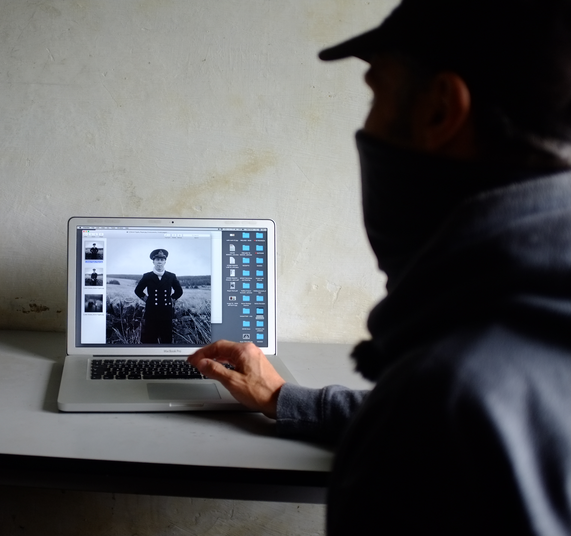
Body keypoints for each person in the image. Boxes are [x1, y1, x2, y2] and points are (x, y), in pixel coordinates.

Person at [188, 0, 571, 534]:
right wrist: (285, 400)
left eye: (376, 93)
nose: (365, 127)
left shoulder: (441, 400)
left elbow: (435, 420)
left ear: (439, 111)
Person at [135, 249, 183, 344]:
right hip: (151, 312)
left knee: (166, 340)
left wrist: (172, 299)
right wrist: (147, 300)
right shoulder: (147, 276)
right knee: (150, 340)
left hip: (166, 313)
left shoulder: (171, 276)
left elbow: (179, 291)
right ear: (153, 261)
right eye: (157, 259)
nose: (159, 262)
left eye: (162, 260)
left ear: (165, 261)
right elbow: (138, 290)